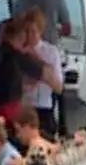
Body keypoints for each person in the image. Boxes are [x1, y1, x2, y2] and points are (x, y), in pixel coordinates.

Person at [19, 8, 63, 137]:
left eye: (33, 31)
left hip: (44, 106)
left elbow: (59, 87)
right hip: (25, 107)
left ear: (40, 31)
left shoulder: (51, 52)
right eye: (26, 31)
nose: (29, 36)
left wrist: (42, 71)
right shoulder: (18, 52)